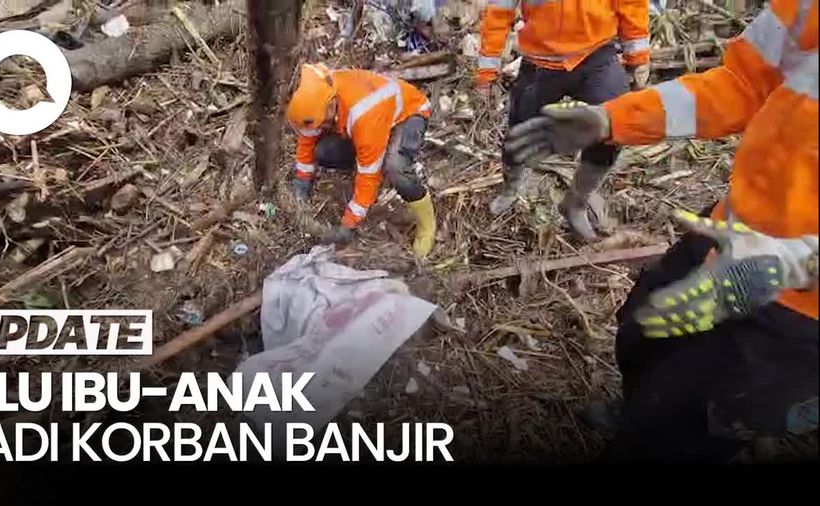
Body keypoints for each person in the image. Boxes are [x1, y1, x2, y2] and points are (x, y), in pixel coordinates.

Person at [502, 0, 819, 461]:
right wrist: (614, 119)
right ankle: (644, 410)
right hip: (734, 230)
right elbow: (742, 83)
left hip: (798, 313)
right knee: (643, 329)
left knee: (693, 426)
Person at [476, 0, 651, 240]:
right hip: (540, 62)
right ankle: (511, 188)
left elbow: (631, 4)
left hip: (595, 54)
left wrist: (638, 57)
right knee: (519, 134)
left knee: (613, 128)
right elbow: (499, 11)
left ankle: (576, 203)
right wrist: (487, 71)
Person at [285, 63, 437, 258]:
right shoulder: (314, 95)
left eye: (324, 122)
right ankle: (373, 152)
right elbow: (307, 141)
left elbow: (368, 176)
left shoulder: (363, 113)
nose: (321, 127)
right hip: (367, 124)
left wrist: (349, 223)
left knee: (396, 168)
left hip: (408, 115)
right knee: (322, 152)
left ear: (332, 103)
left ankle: (427, 225)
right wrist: (302, 182)